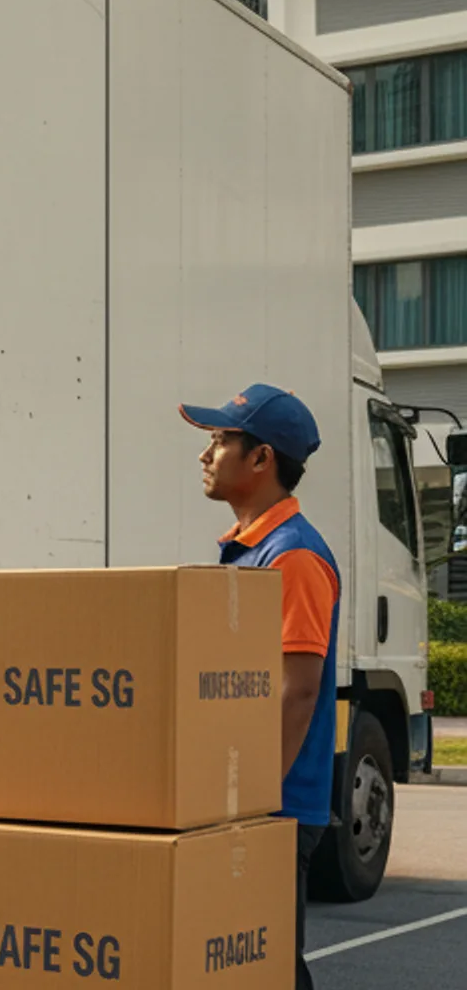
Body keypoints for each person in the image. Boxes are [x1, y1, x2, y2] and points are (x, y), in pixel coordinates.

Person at [181, 384, 339, 990]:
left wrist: (251, 801)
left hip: (274, 808)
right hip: (249, 802)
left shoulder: (292, 557)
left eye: (220, 440)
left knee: (264, 966)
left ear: (260, 458)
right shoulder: (250, 550)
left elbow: (296, 689)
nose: (206, 454)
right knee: (245, 963)